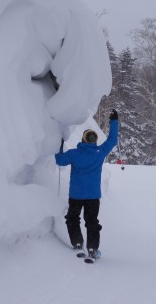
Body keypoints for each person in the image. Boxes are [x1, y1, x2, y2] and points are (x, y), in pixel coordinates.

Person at [55, 109, 119, 259]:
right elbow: (112, 140)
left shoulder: (74, 154)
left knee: (72, 219)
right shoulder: (100, 153)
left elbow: (59, 160)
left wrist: (59, 145)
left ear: (83, 140)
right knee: (91, 222)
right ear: (94, 141)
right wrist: (114, 121)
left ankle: (77, 243)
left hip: (76, 195)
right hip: (93, 196)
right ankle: (92, 249)